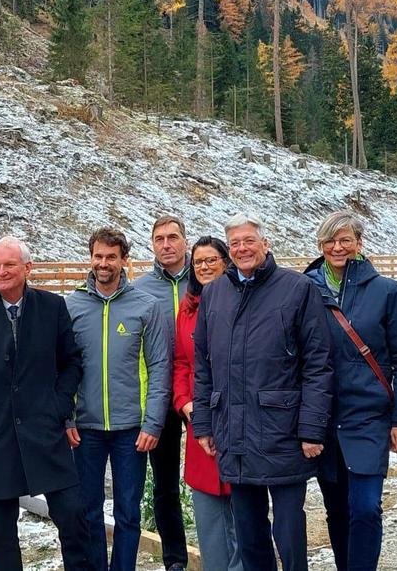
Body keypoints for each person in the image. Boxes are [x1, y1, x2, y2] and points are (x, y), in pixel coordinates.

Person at [192, 213, 333, 571]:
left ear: (265, 244)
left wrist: (312, 429)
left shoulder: (296, 289)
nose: (242, 249)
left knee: (288, 532)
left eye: (249, 241)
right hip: (233, 433)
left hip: (281, 432)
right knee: (250, 532)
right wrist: (204, 426)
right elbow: (203, 365)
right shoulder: (215, 293)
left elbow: (317, 364)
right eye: (235, 243)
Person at [0, 236, 92, 570]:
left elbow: (71, 362)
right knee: (1, 534)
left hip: (46, 435)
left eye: (9, 264)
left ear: (27, 268)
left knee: (72, 517)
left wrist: (59, 407)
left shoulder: (51, 307)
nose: (1, 272)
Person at [303, 211, 397, 571]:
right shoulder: (306, 289)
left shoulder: (386, 291)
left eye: (345, 240)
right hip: (323, 416)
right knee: (335, 508)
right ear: (320, 246)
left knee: (365, 507)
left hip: (367, 415)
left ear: (359, 244)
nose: (337, 247)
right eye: (330, 241)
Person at [66, 227, 172, 571]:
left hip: (133, 430)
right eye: (98, 256)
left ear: (123, 260)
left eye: (111, 257)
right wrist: (67, 417)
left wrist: (153, 422)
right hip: (87, 428)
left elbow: (159, 367)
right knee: (90, 510)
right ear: (90, 257)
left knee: (128, 510)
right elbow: (61, 368)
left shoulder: (146, 306)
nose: (104, 263)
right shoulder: (73, 305)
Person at [171, 235, 242, 571]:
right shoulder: (187, 310)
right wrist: (185, 402)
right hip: (201, 421)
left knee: (244, 508)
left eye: (211, 260)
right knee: (209, 513)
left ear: (225, 262)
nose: (203, 267)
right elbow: (181, 363)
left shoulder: (243, 300)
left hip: (240, 417)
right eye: (198, 262)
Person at [131, 215, 192, 571]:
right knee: (165, 483)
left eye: (173, 237)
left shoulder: (204, 280)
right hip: (160, 397)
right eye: (159, 239)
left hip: (200, 396)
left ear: (184, 240)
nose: (166, 244)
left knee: (211, 477)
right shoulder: (140, 290)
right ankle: (175, 559)